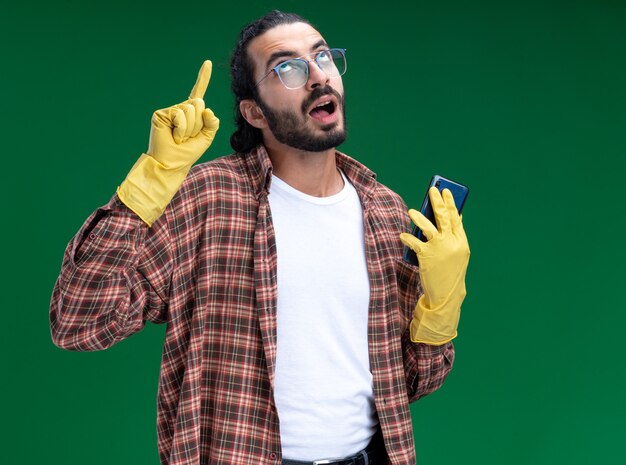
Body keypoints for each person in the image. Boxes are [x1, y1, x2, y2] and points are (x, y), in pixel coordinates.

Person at [50, 10, 470, 465]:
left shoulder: (386, 212)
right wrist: (148, 185)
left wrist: (440, 311)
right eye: (287, 67)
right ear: (254, 112)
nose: (316, 76)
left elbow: (410, 385)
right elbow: (79, 322)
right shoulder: (206, 199)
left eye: (323, 57)